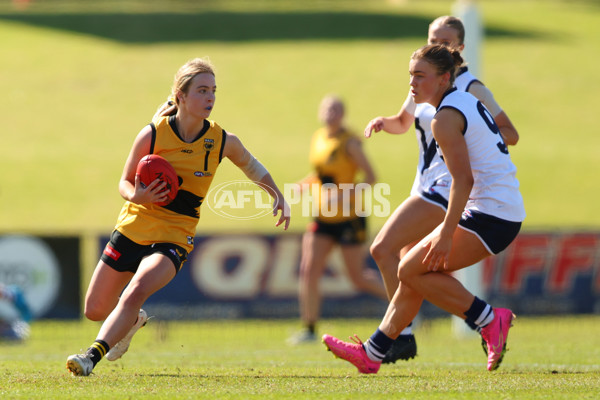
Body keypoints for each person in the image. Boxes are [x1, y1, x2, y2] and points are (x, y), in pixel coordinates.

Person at [66, 58, 290, 376]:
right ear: (180, 96)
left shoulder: (220, 140)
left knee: (135, 289)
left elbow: (252, 165)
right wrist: (137, 195)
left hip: (174, 235)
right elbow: (124, 181)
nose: (210, 97)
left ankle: (90, 357)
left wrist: (277, 195)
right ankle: (132, 321)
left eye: (213, 90)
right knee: (95, 309)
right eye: (201, 90)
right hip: (134, 225)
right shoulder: (153, 133)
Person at [322, 44, 525, 373]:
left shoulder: (444, 118)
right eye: (410, 76)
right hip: (498, 209)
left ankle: (489, 319)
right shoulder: (461, 102)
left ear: (445, 78)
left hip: (493, 213)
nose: (412, 84)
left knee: (410, 269)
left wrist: (445, 234)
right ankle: (373, 353)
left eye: (420, 76)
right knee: (412, 269)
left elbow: (464, 180)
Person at [288, 95, 387, 344]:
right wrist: (304, 184)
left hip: (349, 218)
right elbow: (322, 173)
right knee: (308, 270)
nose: (330, 113)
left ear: (342, 114)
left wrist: (343, 196)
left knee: (357, 277)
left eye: (336, 109)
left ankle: (404, 304)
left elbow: (371, 177)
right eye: (327, 108)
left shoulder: (350, 142)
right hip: (323, 216)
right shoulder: (319, 137)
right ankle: (309, 329)